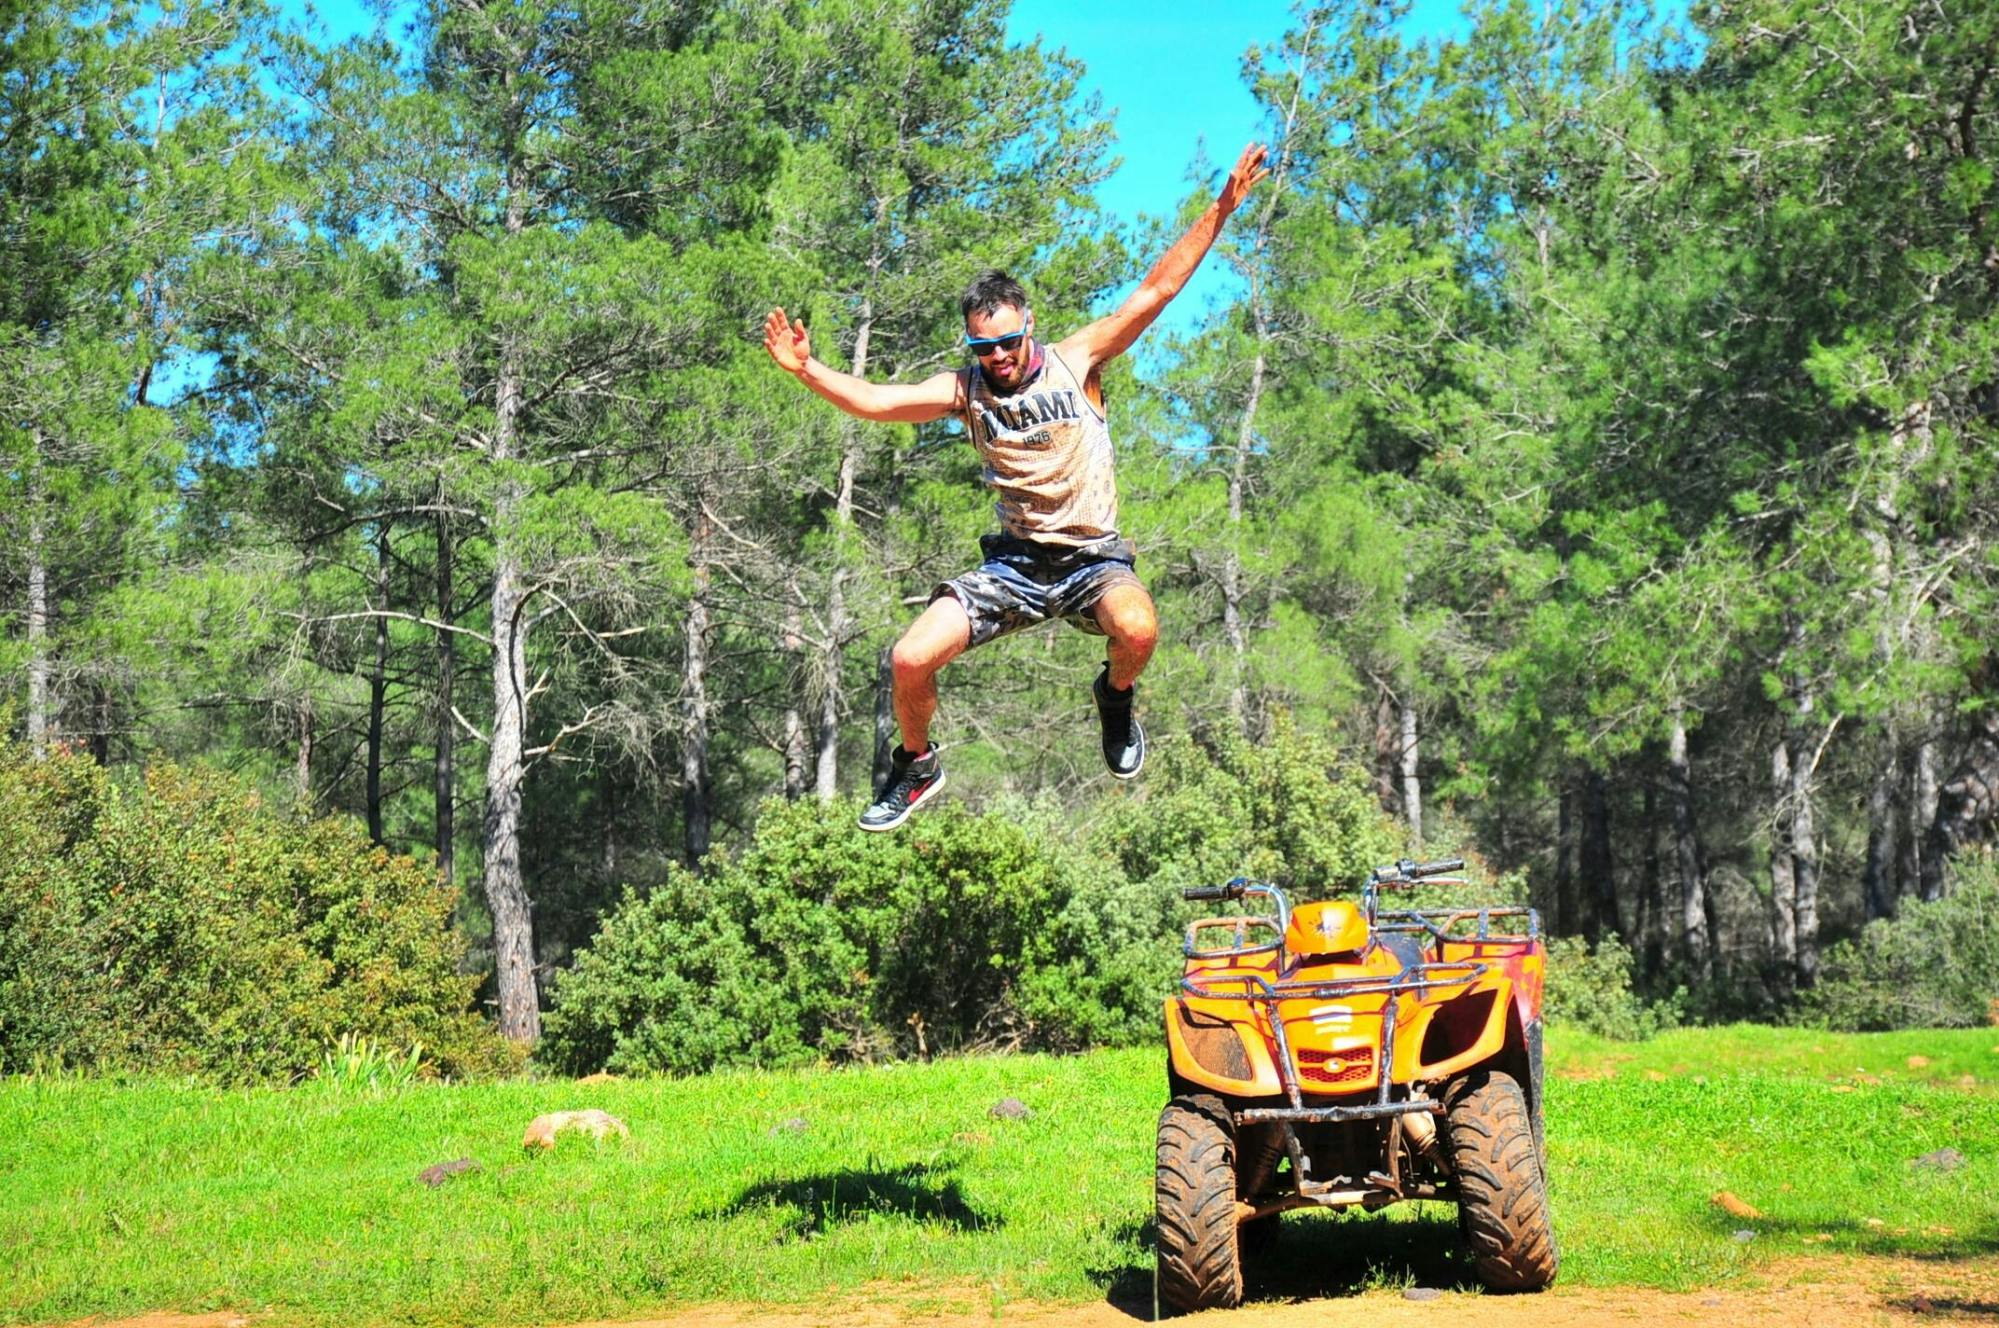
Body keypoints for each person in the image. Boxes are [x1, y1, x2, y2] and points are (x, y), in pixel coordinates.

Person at [764, 142, 1271, 832]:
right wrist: (806, 370)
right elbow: (876, 401)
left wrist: (1219, 209)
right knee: (909, 658)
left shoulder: (1076, 361)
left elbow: (1155, 291)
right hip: (1016, 564)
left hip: (1093, 560)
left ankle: (1115, 697)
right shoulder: (962, 391)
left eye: (1006, 344)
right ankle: (915, 765)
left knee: (1139, 630)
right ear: (970, 346)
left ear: (1027, 328)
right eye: (983, 349)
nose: (998, 358)